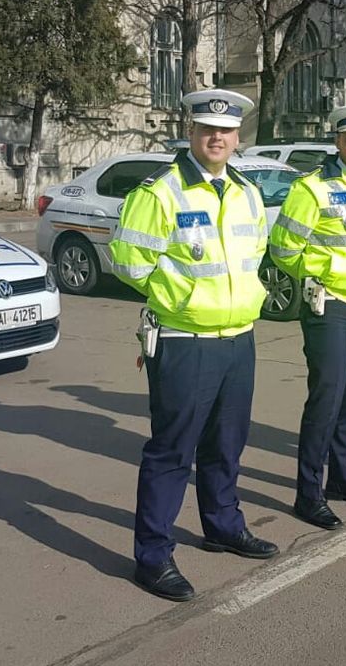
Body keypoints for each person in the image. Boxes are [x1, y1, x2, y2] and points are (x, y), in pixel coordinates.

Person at [110, 87, 278, 602]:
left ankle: (223, 525)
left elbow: (255, 254)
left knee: (227, 443)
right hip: (185, 340)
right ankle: (153, 557)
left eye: (226, 131)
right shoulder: (160, 192)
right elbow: (129, 262)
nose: (217, 138)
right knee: (172, 451)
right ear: (192, 132)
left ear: (237, 137)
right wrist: (182, 298)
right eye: (208, 129)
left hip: (238, 338)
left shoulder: (247, 191)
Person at [268, 103, 346, 530]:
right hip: (330, 305)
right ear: (337, 141)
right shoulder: (311, 189)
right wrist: (320, 273)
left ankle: (343, 478)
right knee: (326, 400)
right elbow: (283, 249)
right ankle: (309, 493)